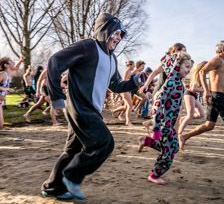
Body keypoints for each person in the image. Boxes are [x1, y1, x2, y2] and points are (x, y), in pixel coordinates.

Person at [41, 12, 142, 200]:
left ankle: (52, 187)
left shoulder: (113, 59)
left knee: (72, 151)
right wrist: (55, 96)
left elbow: (115, 85)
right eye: (116, 33)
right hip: (80, 107)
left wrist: (135, 81)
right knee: (105, 143)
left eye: (121, 35)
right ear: (105, 30)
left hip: (93, 110)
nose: (119, 38)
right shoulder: (88, 46)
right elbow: (55, 61)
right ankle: (71, 176)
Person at [138, 50, 193, 185]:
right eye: (186, 67)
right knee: (168, 154)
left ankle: (146, 141)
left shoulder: (179, 82)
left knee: (174, 148)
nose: (188, 70)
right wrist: (156, 129)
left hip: (169, 124)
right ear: (177, 65)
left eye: (190, 68)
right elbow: (157, 104)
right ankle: (154, 175)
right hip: (162, 124)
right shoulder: (171, 82)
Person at [180, 40, 224, 157]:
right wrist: (206, 91)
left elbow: (222, 81)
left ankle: (184, 136)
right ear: (223, 50)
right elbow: (202, 72)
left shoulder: (221, 62)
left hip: (217, 96)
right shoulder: (217, 60)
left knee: (209, 125)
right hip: (217, 97)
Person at [177, 61, 207, 150]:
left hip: (193, 95)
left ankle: (183, 119)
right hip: (189, 94)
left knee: (201, 114)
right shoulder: (197, 75)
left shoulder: (202, 75)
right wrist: (204, 90)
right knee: (190, 115)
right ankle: (179, 135)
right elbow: (193, 88)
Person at [0, 56, 24, 129]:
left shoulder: (8, 74)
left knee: (1, 124)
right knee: (1, 124)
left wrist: (20, 61)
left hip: (0, 101)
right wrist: (3, 88)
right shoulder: (2, 74)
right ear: (6, 65)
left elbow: (15, 68)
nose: (13, 62)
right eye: (11, 61)